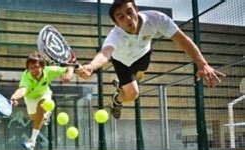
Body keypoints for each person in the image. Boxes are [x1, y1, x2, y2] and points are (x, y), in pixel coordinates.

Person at [78, 0, 225, 119]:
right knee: (133, 94)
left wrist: (202, 64)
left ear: (136, 8)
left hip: (143, 55)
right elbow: (105, 54)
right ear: (116, 24)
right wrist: (91, 66)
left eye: (129, 12)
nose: (128, 18)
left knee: (139, 76)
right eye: (121, 17)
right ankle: (117, 99)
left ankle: (122, 86)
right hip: (122, 62)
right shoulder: (115, 36)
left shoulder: (156, 19)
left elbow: (182, 40)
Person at [10, 52, 74, 150]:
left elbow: (69, 67)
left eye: (36, 67)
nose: (34, 70)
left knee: (42, 106)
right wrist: (15, 97)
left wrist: (69, 74)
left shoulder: (50, 70)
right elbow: (22, 90)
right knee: (34, 117)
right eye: (31, 68)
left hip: (45, 94)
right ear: (28, 69)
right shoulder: (26, 77)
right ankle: (45, 115)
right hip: (30, 97)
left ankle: (32, 141)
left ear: (42, 67)